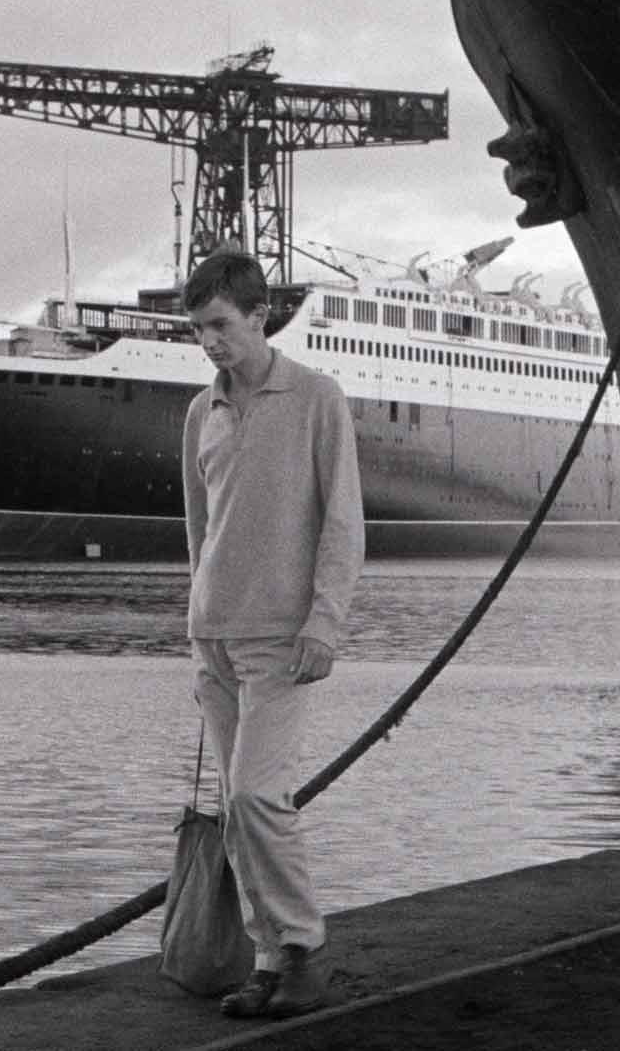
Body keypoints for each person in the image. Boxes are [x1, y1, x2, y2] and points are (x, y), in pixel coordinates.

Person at [180, 249, 364, 1019]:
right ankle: (266, 961)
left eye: (220, 325)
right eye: (198, 330)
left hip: (282, 639)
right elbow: (200, 528)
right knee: (236, 809)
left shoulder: (318, 398)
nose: (209, 342)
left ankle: (303, 949)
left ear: (261, 316)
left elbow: (344, 522)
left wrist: (325, 621)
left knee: (257, 795)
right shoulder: (201, 412)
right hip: (214, 638)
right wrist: (197, 624)